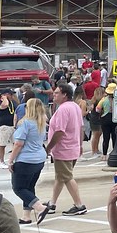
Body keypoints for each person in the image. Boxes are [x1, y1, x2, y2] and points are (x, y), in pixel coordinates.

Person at [41, 82, 88, 219]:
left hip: (63, 149)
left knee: (66, 177)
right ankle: (52, 203)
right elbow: (80, 127)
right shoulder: (75, 107)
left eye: (56, 93)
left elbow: (60, 131)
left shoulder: (63, 109)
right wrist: (79, 145)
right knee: (60, 177)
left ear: (64, 95)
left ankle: (79, 205)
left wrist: (49, 147)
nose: (54, 95)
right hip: (72, 147)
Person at [8, 98, 50, 224]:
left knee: (18, 188)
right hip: (39, 158)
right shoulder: (41, 122)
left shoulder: (25, 123)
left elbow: (19, 143)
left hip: (25, 159)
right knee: (29, 187)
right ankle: (26, 216)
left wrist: (10, 160)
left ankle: (40, 208)